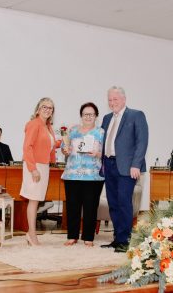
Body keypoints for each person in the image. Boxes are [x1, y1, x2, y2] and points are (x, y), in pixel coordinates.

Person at [100, 86, 148, 253]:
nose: (112, 102)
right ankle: (117, 238)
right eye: (110, 100)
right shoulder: (106, 118)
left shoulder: (136, 115)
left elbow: (142, 142)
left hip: (127, 168)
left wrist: (136, 164)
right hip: (109, 165)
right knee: (113, 203)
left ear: (124, 100)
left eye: (116, 99)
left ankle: (125, 240)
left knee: (123, 202)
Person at [61, 102, 105, 247]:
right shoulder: (72, 131)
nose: (88, 117)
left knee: (90, 207)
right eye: (85, 114)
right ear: (81, 116)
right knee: (72, 206)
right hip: (72, 175)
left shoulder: (101, 132)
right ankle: (72, 236)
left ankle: (88, 237)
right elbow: (64, 147)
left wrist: (98, 153)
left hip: (93, 176)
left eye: (91, 114)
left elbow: (107, 153)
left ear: (96, 116)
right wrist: (65, 150)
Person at [20, 97, 59, 246]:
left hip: (44, 166)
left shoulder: (47, 126)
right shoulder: (33, 124)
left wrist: (60, 143)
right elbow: (27, 147)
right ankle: (31, 235)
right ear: (38, 109)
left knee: (36, 200)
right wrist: (33, 169)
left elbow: (47, 145)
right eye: (45, 107)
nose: (47, 110)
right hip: (34, 166)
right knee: (33, 200)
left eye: (50, 108)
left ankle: (31, 233)